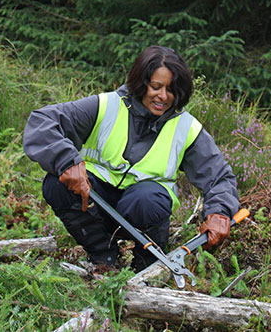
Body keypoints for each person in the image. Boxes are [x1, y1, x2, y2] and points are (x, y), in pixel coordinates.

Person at [23, 45, 239, 272]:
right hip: (95, 206)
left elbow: (219, 177)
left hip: (144, 213)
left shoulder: (187, 128)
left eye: (171, 89)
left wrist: (219, 212)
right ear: (140, 82)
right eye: (155, 87)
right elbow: (43, 121)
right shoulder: (105, 106)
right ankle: (103, 258)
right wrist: (66, 160)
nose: (163, 96)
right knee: (56, 184)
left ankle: (147, 266)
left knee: (145, 199)